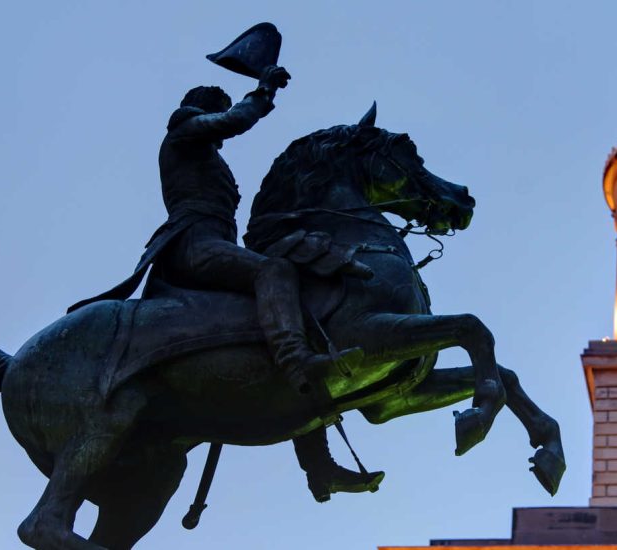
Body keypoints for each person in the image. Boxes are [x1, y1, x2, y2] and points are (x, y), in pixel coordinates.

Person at [69, 65, 383, 502]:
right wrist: (264, 91)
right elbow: (233, 122)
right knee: (273, 271)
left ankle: (319, 465)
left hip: (214, 242)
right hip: (193, 243)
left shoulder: (207, 155)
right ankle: (295, 360)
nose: (217, 126)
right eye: (215, 110)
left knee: (302, 315)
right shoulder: (184, 128)